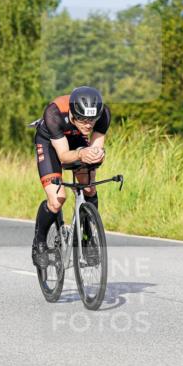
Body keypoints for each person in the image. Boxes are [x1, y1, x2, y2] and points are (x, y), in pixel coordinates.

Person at [31, 86, 110, 266]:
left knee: (89, 187)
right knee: (57, 199)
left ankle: (87, 237)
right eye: (83, 120)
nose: (88, 125)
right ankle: (40, 243)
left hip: (78, 140)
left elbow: (97, 146)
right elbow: (64, 156)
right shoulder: (54, 113)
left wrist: (96, 155)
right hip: (51, 143)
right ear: (73, 114)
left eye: (92, 120)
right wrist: (81, 154)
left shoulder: (103, 114)